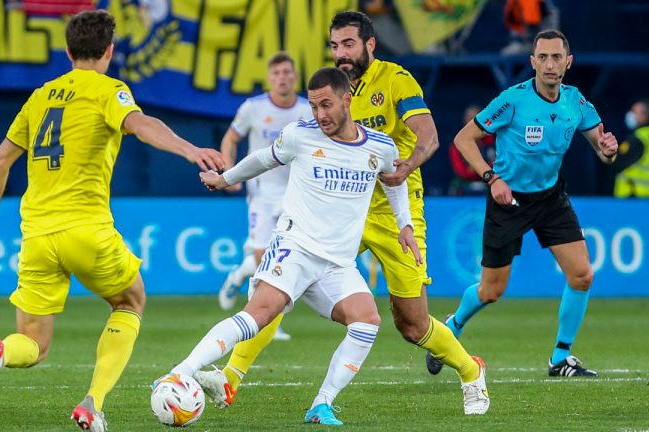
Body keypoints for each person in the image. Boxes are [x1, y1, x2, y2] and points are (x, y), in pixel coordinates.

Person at [195, 10, 490, 417]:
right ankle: (230, 379)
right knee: (275, 295)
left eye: (348, 44)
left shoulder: (397, 80)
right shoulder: (332, 93)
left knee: (412, 324)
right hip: (339, 213)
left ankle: (469, 370)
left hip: (394, 212)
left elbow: (429, 136)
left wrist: (405, 168)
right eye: (334, 46)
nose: (341, 53)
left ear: (370, 44)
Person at [0, 10, 223, 432]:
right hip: (86, 228)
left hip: (38, 234)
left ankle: (0, 352)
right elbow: (140, 123)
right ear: (110, 51)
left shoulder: (41, 95)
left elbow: (0, 161)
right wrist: (191, 150)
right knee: (130, 301)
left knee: (33, 344)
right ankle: (92, 404)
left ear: (67, 51)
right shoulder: (109, 90)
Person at [163, 67, 420, 426]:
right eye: (314, 106)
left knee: (367, 321)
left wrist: (405, 224)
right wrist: (226, 178)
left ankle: (322, 403)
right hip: (295, 247)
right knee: (259, 315)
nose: (320, 115)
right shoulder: (301, 135)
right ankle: (180, 372)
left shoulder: (379, 145)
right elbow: (263, 158)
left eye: (327, 105)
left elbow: (395, 182)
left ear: (348, 100)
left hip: (338, 264)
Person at [426, 30, 618, 378]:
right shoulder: (512, 100)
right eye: (542, 57)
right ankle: (452, 327)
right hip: (508, 198)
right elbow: (463, 139)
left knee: (582, 275)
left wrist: (608, 151)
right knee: (491, 290)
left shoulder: (575, 102)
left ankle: (560, 359)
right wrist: (491, 178)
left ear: (568, 62)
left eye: (556, 57)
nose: (549, 64)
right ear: (532, 62)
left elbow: (601, 146)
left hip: (550, 197)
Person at [217, 52, 312, 345]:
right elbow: (231, 138)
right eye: (277, 73)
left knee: (284, 256)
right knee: (264, 259)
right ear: (270, 78)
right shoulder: (253, 108)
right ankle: (246, 278)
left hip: (295, 193)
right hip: (261, 192)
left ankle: (267, 317)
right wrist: (227, 172)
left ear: (295, 76)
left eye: (287, 72)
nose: (283, 77)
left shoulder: (308, 110)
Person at [613, 99, 649, 197]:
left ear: (645, 116)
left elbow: (618, 161)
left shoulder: (638, 139)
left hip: (634, 196)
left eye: (634, 112)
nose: (630, 115)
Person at [448, 104, 496, 196]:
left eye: (473, 119)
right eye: (468, 118)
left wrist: (474, 167)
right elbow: (463, 173)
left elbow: (499, 168)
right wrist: (485, 166)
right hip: (464, 189)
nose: (470, 123)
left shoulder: (492, 142)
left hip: (491, 186)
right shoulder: (457, 145)